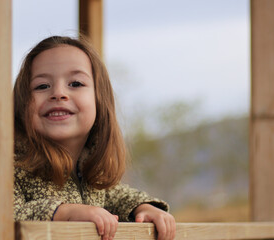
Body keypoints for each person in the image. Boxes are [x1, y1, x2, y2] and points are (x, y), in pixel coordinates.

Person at [13, 35, 176, 240]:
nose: (58, 93)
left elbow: (116, 195)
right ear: (22, 104)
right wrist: (63, 213)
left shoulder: (91, 172)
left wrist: (143, 208)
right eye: (42, 86)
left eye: (75, 83)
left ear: (99, 101)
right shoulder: (11, 167)